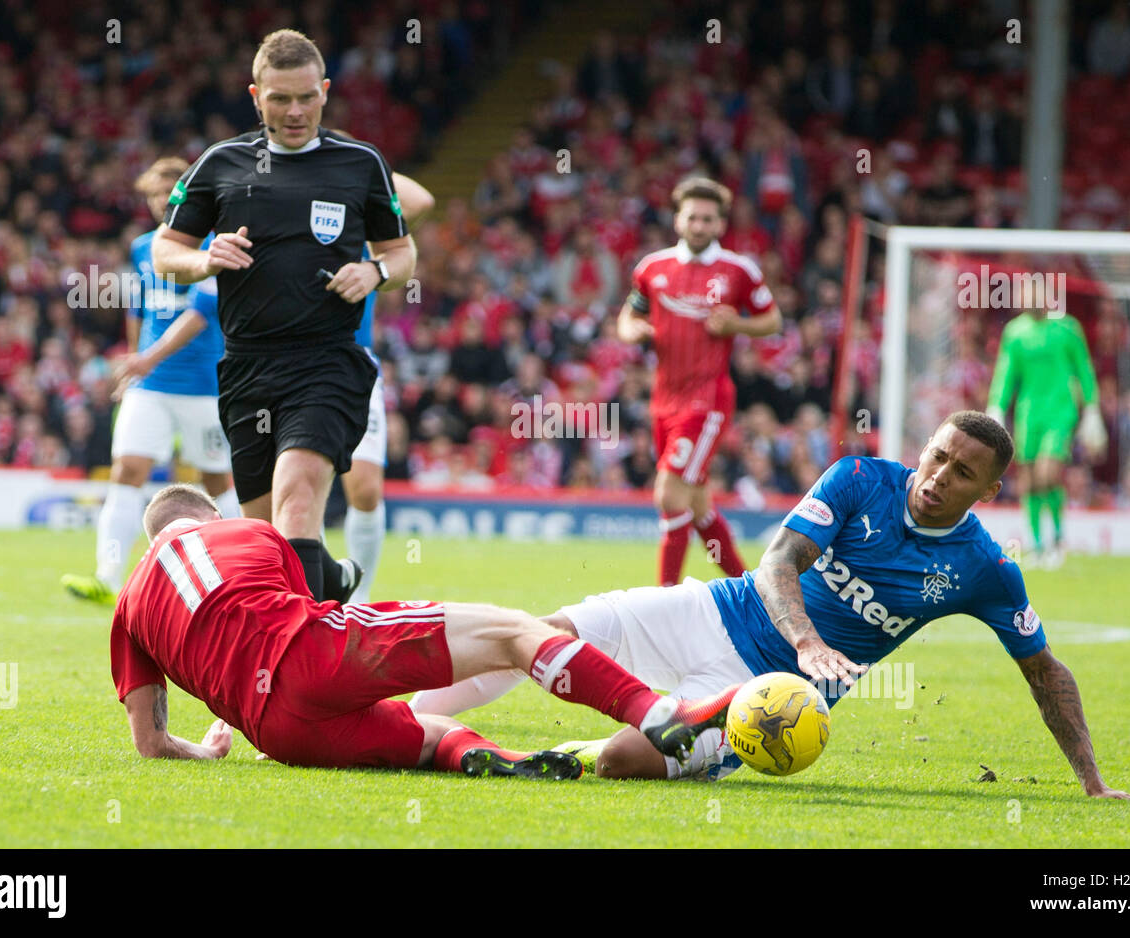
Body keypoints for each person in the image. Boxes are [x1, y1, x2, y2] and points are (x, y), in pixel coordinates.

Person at [412, 412, 1130, 799]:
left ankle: (544, 759)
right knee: (546, 633)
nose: (937, 478)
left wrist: (1092, 781)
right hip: (714, 611)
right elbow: (779, 561)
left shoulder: (985, 567)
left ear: (987, 493)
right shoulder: (860, 477)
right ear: (922, 449)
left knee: (623, 763)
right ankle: (405, 721)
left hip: (768, 699)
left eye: (961, 474)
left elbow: (1044, 672)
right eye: (936, 458)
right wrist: (805, 640)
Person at [111, 483, 739, 778]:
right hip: (315, 655)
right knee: (512, 632)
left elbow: (151, 741)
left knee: (428, 735)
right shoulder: (246, 530)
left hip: (277, 732)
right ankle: (655, 712)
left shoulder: (129, 608)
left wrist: (208, 749)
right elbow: (302, 620)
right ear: (208, 516)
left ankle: (518, 762)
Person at [152, 28, 415, 603]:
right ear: (255, 95)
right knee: (265, 544)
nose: (295, 112)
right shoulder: (221, 164)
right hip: (247, 367)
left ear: (324, 91)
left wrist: (375, 272)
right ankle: (332, 589)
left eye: (306, 97)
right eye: (279, 99)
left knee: (298, 494)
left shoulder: (360, 163)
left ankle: (314, 675)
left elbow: (402, 251)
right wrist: (202, 260)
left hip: (327, 363)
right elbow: (163, 251)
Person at [63, 157, 239, 606]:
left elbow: (202, 314)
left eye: (171, 192)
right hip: (150, 386)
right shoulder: (145, 247)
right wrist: (132, 366)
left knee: (216, 479)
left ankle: (240, 575)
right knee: (127, 470)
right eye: (155, 194)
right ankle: (106, 577)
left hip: (204, 385)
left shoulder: (212, 245)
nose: (163, 200)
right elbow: (139, 312)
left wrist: (146, 359)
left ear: (186, 195)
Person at [616, 176, 782, 586]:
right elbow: (628, 315)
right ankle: (754, 592)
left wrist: (739, 323)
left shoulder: (737, 271)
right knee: (699, 506)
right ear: (678, 220)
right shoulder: (652, 268)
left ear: (720, 225)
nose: (700, 225)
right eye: (693, 217)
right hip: (663, 400)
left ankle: (663, 600)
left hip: (705, 401)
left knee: (669, 496)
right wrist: (631, 331)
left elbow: (773, 320)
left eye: (708, 219)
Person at [339, 171, 434, 601]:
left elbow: (420, 199)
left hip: (354, 364)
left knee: (364, 489)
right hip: (291, 364)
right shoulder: (290, 214)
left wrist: (358, 162)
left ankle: (358, 600)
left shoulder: (360, 226)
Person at [987, 305, 1106, 568]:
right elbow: (1006, 373)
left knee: (1048, 474)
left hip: (1060, 412)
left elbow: (1083, 368)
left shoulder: (1067, 328)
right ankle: (1038, 546)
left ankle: (1058, 540)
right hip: (1028, 415)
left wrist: (1092, 406)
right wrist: (996, 405)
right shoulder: (1016, 331)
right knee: (1029, 480)